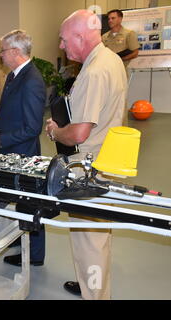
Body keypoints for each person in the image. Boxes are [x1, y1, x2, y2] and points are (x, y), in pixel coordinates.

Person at [45, 10, 127, 300]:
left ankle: (94, 294)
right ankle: (90, 282)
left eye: (65, 40)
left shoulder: (93, 72)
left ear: (80, 36)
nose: (62, 47)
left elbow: (79, 133)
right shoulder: (111, 60)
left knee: (89, 240)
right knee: (96, 237)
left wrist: (55, 131)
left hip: (88, 169)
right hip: (106, 159)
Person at [0, 29, 46, 267]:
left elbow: (32, 128)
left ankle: (35, 255)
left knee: (30, 204)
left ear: (15, 52)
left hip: (24, 154)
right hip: (12, 151)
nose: (0, 55)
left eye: (2, 51)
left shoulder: (32, 81)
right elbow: (6, 112)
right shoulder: (13, 76)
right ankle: (21, 238)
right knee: (19, 201)